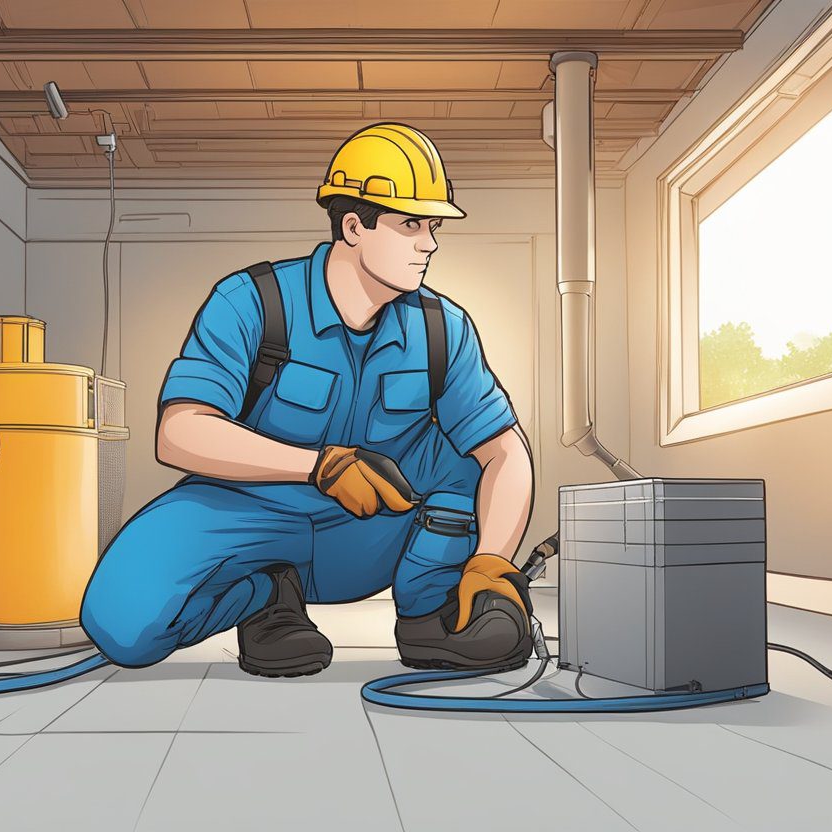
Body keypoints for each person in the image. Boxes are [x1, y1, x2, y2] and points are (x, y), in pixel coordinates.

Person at [81, 123, 536, 677]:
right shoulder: (254, 302)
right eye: (411, 224)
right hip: (252, 518)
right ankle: (266, 597)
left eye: (433, 226)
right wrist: (317, 467)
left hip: (373, 534)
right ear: (353, 226)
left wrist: (493, 559)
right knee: (121, 624)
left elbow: (505, 453)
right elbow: (179, 432)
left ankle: (431, 614)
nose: (430, 243)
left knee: (466, 458)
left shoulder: (443, 329)